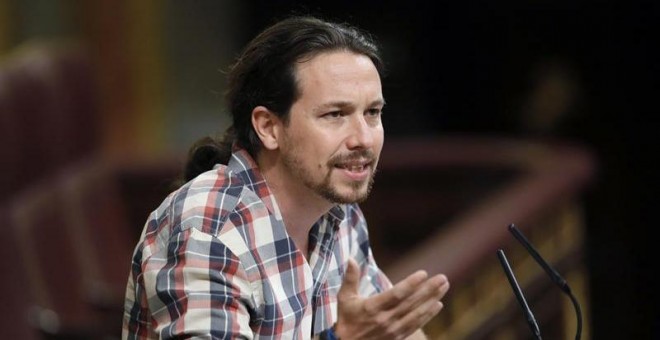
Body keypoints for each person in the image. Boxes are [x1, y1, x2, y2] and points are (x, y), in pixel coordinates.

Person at [122, 15, 450, 340]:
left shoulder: (338, 211)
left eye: (372, 113)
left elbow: (394, 332)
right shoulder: (208, 229)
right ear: (268, 128)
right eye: (335, 114)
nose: (363, 139)